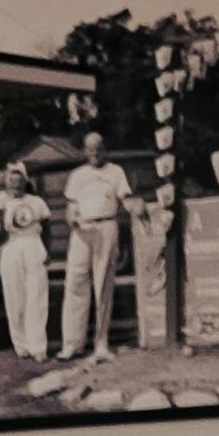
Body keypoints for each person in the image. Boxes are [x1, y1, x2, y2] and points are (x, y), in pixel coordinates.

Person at [64, 132, 134, 356]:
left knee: (103, 285)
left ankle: (101, 344)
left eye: (98, 148)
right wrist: (71, 218)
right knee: (74, 283)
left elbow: (126, 199)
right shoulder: (77, 175)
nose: (94, 152)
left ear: (105, 149)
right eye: (90, 149)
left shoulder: (116, 172)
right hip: (81, 231)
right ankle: (72, 344)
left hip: (106, 227)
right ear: (85, 151)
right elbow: (70, 206)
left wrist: (140, 207)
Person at [0, 159, 56, 363]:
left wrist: (47, 250)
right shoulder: (2, 201)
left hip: (33, 244)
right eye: (11, 181)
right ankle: (20, 344)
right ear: (7, 183)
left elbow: (46, 227)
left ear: (25, 182)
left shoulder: (36, 202)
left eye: (19, 181)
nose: (15, 185)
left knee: (37, 296)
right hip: (12, 247)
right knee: (14, 297)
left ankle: (38, 346)